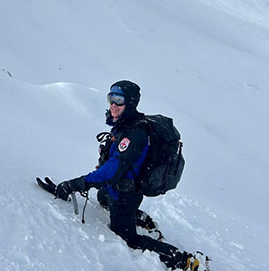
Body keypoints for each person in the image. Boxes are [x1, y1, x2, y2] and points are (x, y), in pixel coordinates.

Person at [55, 80, 193, 270]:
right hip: (113, 188)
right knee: (103, 199)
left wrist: (76, 184)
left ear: (131, 102)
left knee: (126, 237)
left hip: (125, 194)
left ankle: (182, 259)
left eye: (118, 100)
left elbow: (112, 170)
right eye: (111, 98)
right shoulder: (125, 123)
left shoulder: (135, 133)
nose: (113, 105)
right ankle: (140, 218)